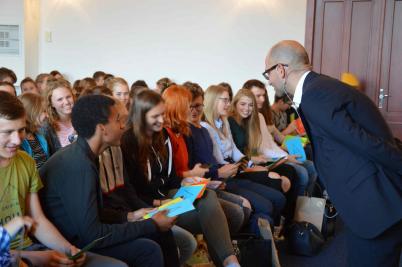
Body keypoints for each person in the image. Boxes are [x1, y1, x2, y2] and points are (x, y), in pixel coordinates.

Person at [264, 40, 402, 267]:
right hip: (370, 204)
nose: (268, 80)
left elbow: (365, 142)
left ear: (281, 69)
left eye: (267, 73)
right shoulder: (319, 89)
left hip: (375, 208)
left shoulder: (315, 95)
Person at [40, 94, 178, 266]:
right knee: (148, 249)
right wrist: (151, 224)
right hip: (69, 244)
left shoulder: (86, 154)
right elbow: (91, 234)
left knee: (160, 234)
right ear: (102, 129)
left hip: (81, 233)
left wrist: (129, 216)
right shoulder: (79, 165)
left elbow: (91, 211)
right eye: (119, 120)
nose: (123, 126)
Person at [0, 91, 125, 267]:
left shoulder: (25, 162)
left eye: (21, 130)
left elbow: (37, 219)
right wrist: (31, 258)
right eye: (7, 132)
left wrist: (68, 248)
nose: (17, 139)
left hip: (31, 247)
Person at [121, 90, 241, 267]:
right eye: (156, 116)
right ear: (140, 115)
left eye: (163, 114)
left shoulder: (162, 136)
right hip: (149, 206)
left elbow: (169, 179)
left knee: (224, 207)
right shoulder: (128, 142)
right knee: (221, 212)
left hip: (168, 195)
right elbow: (131, 192)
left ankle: (228, 261)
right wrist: (157, 203)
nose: (162, 121)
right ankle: (229, 261)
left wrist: (184, 181)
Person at [42, 78, 76, 155]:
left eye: (68, 97)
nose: (66, 102)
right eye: (60, 99)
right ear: (52, 104)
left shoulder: (82, 119)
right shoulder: (46, 127)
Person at [19, 93, 49, 168]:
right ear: (30, 113)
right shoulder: (19, 142)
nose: (47, 115)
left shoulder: (39, 136)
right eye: (43, 111)